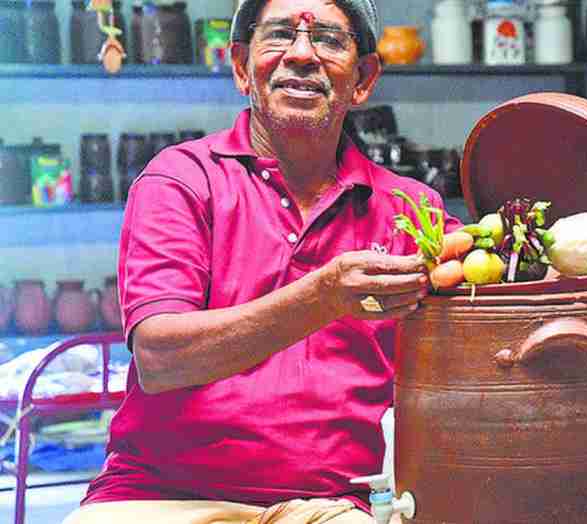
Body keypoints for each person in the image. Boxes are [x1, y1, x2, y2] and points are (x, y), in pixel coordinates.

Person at [64, 0, 461, 522]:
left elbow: (485, 314)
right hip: (163, 497)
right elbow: (161, 359)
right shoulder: (180, 181)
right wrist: (325, 294)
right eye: (278, 35)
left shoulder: (411, 210)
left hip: (332, 505)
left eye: (328, 38)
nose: (301, 53)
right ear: (240, 68)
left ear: (363, 79)